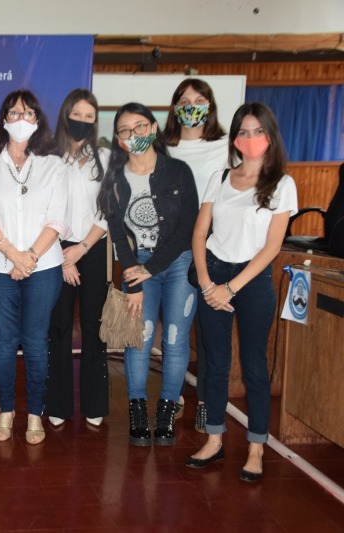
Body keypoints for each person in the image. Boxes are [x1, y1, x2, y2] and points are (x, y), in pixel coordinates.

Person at [186, 103, 297, 481]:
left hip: (252, 280)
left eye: (258, 131)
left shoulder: (282, 184)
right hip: (213, 274)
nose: (251, 139)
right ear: (235, 138)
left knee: (254, 367)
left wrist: (231, 288)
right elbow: (199, 233)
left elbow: (272, 246)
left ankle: (256, 447)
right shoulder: (219, 177)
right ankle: (214, 439)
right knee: (215, 364)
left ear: (270, 136)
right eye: (244, 132)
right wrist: (207, 283)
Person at [0, 89, 69, 445]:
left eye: (27, 113)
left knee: (37, 342)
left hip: (44, 266)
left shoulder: (54, 164)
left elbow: (57, 219)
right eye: (13, 113)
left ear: (38, 120)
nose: (20, 119)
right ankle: (7, 409)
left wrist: (30, 258)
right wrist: (14, 254)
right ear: (3, 119)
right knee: (4, 342)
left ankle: (35, 412)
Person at [97, 102, 198, 447]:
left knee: (175, 339)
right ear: (119, 139)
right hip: (136, 264)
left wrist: (151, 268)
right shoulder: (115, 179)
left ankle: (166, 411)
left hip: (179, 263)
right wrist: (134, 276)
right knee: (139, 337)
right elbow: (118, 235)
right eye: (125, 130)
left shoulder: (179, 171)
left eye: (140, 126)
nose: (134, 134)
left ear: (154, 128)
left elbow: (187, 227)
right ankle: (138, 410)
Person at [163, 78, 228, 432]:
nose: (192, 107)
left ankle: (206, 402)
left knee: (208, 332)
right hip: (173, 249)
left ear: (210, 106)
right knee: (175, 330)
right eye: (184, 101)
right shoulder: (164, 146)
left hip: (214, 247)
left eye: (199, 100)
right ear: (175, 108)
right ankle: (174, 395)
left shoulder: (225, 146)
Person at [45, 89, 110, 429]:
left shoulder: (105, 157)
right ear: (65, 116)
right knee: (57, 326)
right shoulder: (48, 157)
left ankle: (94, 401)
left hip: (92, 246)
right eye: (77, 115)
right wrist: (64, 257)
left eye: (89, 117)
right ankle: (57, 401)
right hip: (54, 247)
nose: (82, 122)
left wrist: (81, 249)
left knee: (93, 326)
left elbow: (108, 210)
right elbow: (43, 210)